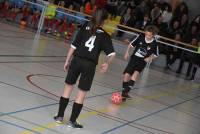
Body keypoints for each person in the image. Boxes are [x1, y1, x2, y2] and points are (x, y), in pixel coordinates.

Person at [54, 8, 116, 128]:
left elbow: (73, 46)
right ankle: (72, 121)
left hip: (76, 61)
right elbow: (112, 54)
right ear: (104, 21)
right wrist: (107, 63)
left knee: (67, 89)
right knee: (81, 93)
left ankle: (60, 117)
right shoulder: (105, 35)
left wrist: (67, 60)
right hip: (89, 65)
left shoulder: (84, 26)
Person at [121, 25, 159, 101]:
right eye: (146, 34)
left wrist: (150, 58)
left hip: (142, 62)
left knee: (135, 75)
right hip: (134, 59)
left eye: (149, 35)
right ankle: (124, 94)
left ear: (153, 35)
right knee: (126, 75)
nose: (147, 36)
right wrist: (127, 52)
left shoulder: (155, 43)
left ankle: (125, 93)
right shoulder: (140, 37)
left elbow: (156, 55)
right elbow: (131, 44)